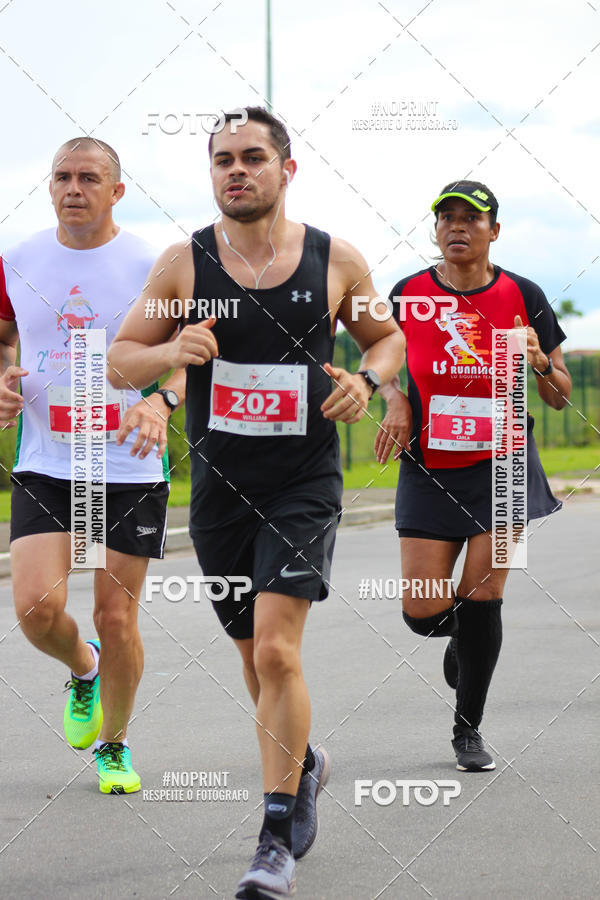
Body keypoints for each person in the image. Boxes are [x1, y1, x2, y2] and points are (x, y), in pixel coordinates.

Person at [108, 106, 405, 899]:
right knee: (252, 653)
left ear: (286, 169)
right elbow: (119, 358)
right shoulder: (184, 264)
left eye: (252, 158)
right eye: (222, 161)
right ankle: (302, 762)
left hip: (304, 482)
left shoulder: (332, 257)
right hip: (219, 492)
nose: (236, 171)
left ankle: (274, 835)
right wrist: (173, 349)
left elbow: (387, 338)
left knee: (277, 649)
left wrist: (367, 380)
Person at [0, 137, 185, 794]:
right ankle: (84, 669)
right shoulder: (15, 260)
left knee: (117, 614)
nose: (73, 188)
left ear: (117, 191)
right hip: (49, 459)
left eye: (88, 177)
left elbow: (185, 353)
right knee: (34, 609)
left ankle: (115, 742)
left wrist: (162, 402)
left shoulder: (153, 263)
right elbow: (2, 340)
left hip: (129, 465)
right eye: (61, 176)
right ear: (48, 187)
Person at [375, 180, 571, 772]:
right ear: (435, 230)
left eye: (471, 219)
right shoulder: (409, 293)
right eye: (447, 219)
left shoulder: (523, 294)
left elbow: (560, 395)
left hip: (505, 463)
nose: (457, 228)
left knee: (485, 597)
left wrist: (539, 362)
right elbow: (381, 358)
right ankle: (462, 633)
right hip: (431, 465)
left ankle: (467, 730)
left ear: (494, 230)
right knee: (421, 610)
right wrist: (394, 398)